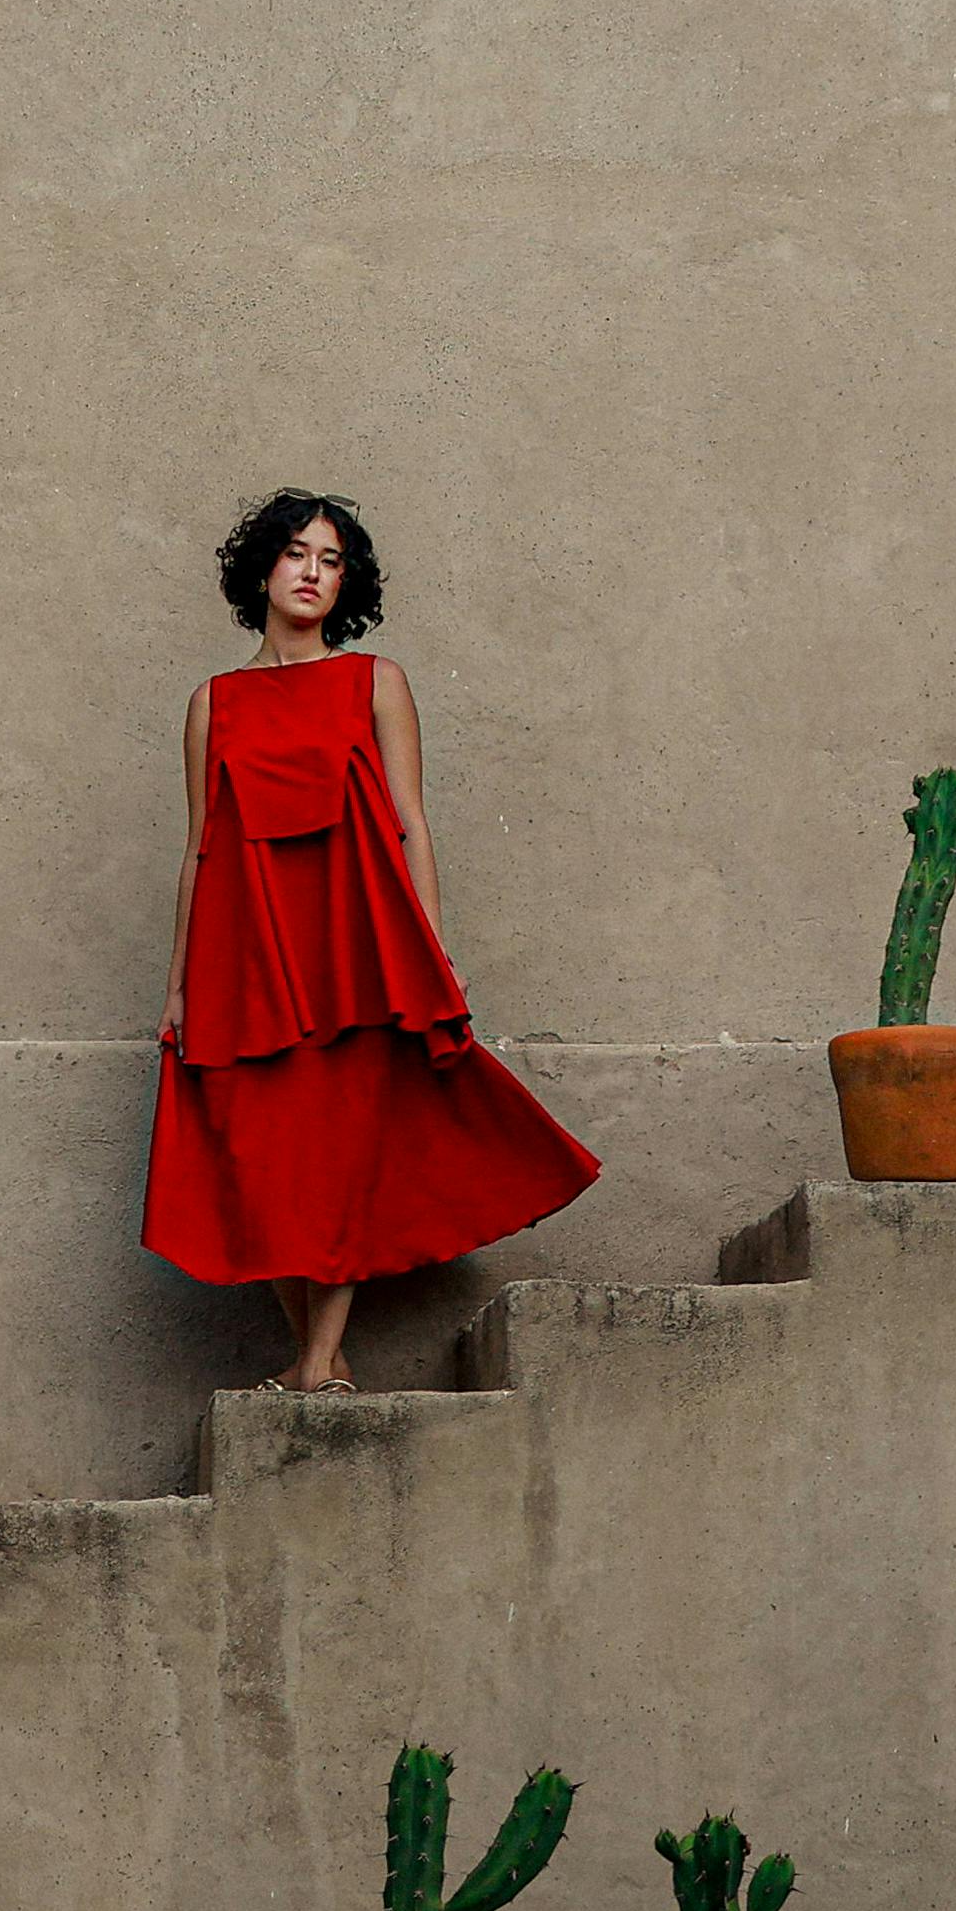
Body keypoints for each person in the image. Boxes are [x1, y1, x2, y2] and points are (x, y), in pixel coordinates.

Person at [146, 489, 600, 1391]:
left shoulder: (376, 682)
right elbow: (200, 849)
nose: (312, 572)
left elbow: (410, 824)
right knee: (257, 1159)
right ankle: (325, 1358)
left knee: (347, 1153)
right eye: (296, 554)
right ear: (262, 570)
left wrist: (426, 948)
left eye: (331, 559)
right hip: (244, 960)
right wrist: (179, 987)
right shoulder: (212, 705)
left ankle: (317, 1361)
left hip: (358, 954)